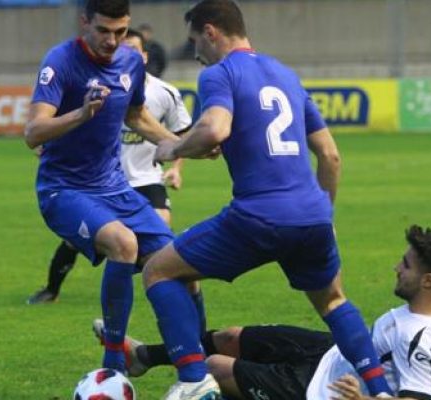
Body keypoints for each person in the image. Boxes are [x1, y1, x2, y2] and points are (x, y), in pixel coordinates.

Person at [140, 1, 393, 398]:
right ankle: (380, 391)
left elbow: (214, 129)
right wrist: (323, 214)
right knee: (333, 301)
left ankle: (194, 381)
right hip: (311, 215)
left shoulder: (220, 74)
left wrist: (173, 148)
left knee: (158, 270)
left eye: (194, 42)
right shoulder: (286, 75)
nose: (195, 53)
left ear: (211, 32)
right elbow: (330, 155)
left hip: (258, 215)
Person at [101, 225, 431, 400]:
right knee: (231, 337)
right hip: (333, 351)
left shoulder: (421, 339)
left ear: (428, 281)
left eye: (406, 266)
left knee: (212, 370)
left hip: (321, 388)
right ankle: (143, 356)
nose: (396, 269)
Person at [24, 0, 181, 374]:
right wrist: (80, 113)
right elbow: (33, 133)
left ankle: (194, 366)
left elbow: (136, 115)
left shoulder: (131, 62)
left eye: (121, 31)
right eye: (103, 31)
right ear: (84, 23)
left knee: (177, 261)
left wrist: (178, 145)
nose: (112, 41)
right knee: (123, 244)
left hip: (114, 188)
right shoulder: (60, 61)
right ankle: (114, 362)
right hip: (63, 189)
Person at [25, 28, 196, 309]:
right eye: (110, 35)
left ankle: (187, 334)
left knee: (163, 242)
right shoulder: (76, 67)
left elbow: (175, 132)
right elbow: (35, 131)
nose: (117, 45)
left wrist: (182, 157)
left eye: (128, 42)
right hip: (101, 181)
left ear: (143, 55)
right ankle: (53, 288)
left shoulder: (164, 92)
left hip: (145, 177)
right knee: (91, 242)